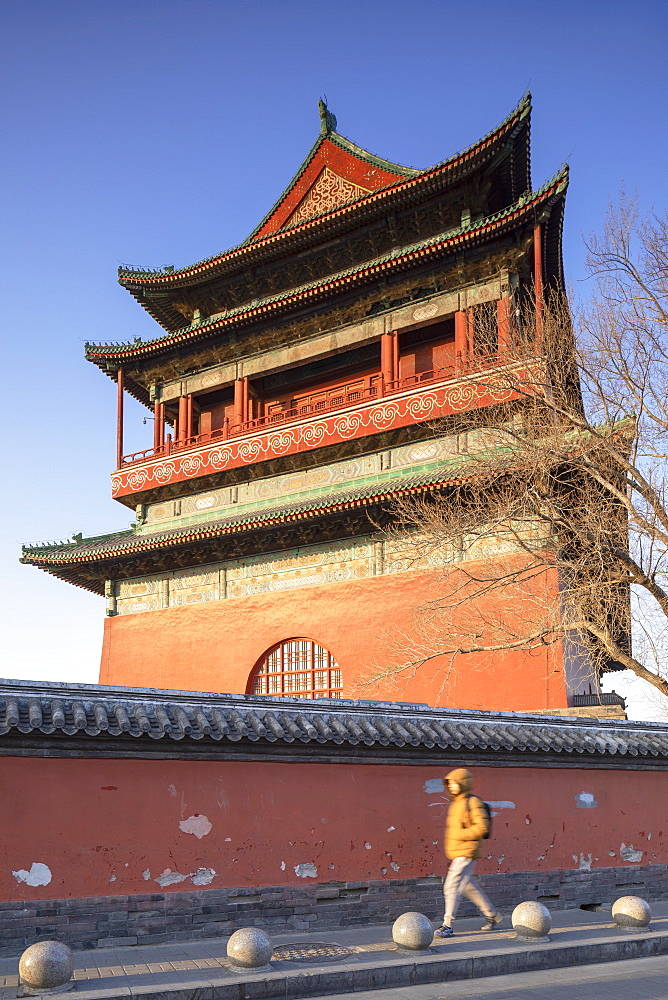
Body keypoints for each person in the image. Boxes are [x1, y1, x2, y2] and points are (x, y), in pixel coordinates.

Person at [434, 767, 502, 938]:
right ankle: (491, 915)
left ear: (463, 783)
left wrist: (460, 835)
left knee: (450, 886)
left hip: (467, 851)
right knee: (468, 886)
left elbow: (482, 828)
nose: (451, 787)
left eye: (454, 783)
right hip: (459, 852)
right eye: (449, 784)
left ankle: (447, 924)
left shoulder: (473, 802)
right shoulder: (456, 803)